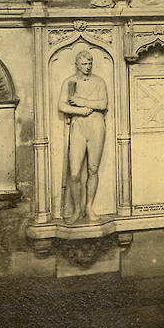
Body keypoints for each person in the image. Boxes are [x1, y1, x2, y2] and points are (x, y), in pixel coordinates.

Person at [58, 50, 108, 224]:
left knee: (93, 169)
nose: (88, 67)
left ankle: (89, 207)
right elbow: (62, 105)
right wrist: (80, 110)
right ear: (77, 64)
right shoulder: (69, 82)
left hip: (96, 124)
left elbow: (103, 104)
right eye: (84, 64)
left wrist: (83, 102)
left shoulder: (99, 81)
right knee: (75, 172)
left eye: (90, 63)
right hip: (78, 124)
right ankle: (77, 210)